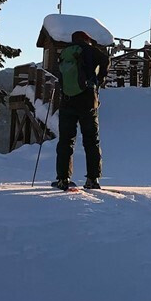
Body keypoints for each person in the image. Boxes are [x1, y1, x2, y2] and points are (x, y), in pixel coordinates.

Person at [52, 30, 110, 190]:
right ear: (86, 39)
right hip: (87, 101)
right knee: (91, 141)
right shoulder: (90, 50)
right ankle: (92, 179)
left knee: (65, 141)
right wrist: (99, 79)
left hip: (67, 102)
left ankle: (63, 179)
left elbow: (60, 74)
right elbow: (106, 60)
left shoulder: (65, 53)